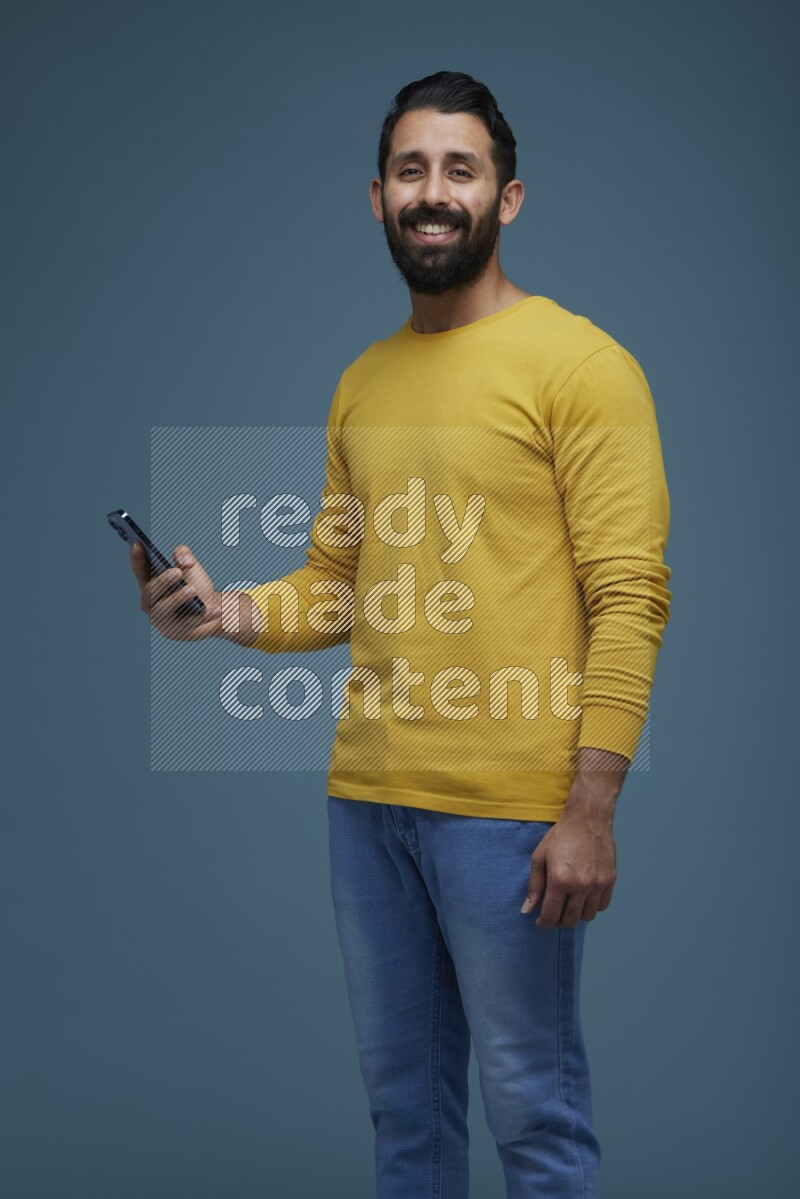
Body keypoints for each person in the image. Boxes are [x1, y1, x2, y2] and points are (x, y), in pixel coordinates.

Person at [132, 70, 672, 1199]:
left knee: (534, 1111)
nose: (434, 192)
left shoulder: (581, 365)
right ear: (375, 198)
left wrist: (589, 808)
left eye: (458, 169)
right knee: (405, 1120)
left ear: (505, 198)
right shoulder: (364, 380)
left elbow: (628, 596)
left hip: (509, 814)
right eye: (411, 170)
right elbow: (339, 582)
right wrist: (222, 611)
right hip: (368, 804)